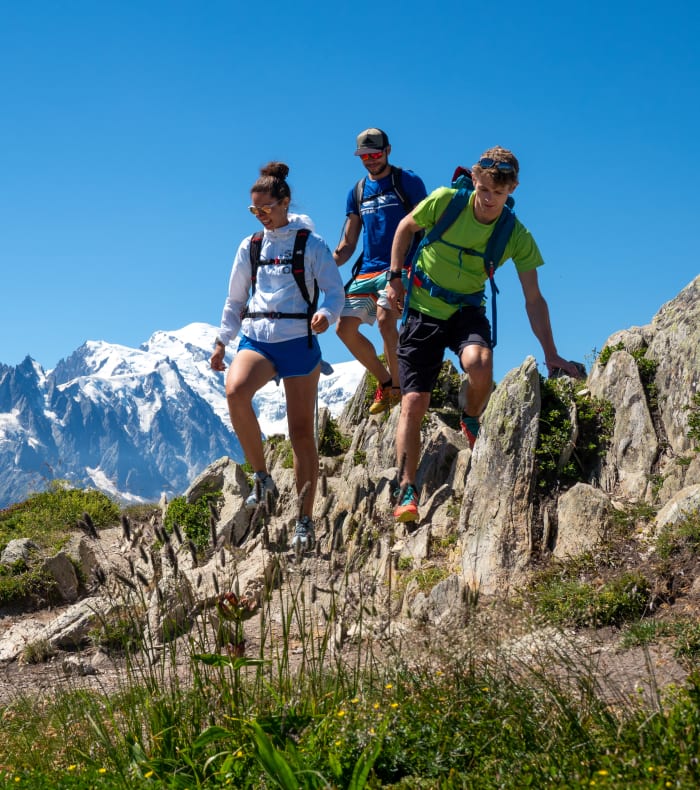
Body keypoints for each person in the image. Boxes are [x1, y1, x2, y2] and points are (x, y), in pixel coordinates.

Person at [385, 146, 584, 523]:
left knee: (480, 363)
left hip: (466, 311)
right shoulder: (446, 202)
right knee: (414, 402)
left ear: (513, 190)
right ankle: (407, 488)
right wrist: (395, 279)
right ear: (475, 179)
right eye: (486, 189)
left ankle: (471, 415)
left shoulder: (515, 234)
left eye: (500, 192)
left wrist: (551, 352)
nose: (491, 199)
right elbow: (404, 227)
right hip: (423, 310)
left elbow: (534, 298)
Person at [210, 162, 345, 551]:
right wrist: (222, 342)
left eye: (266, 208)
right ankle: (262, 477)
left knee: (301, 433)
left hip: (298, 341)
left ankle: (304, 520)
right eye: (255, 211)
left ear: (285, 202)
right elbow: (235, 299)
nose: (261, 215)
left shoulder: (312, 245)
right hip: (257, 338)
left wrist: (327, 314)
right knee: (235, 392)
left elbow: (335, 293)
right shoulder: (250, 247)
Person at [333, 128, 427, 415]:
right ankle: (386, 381)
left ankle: (399, 390)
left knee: (387, 320)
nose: (370, 160)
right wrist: (321, 264)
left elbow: (424, 225)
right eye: (364, 155)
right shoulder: (358, 191)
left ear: (388, 150)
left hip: (402, 267)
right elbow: (348, 242)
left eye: (375, 154)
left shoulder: (407, 182)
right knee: (344, 329)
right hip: (367, 271)